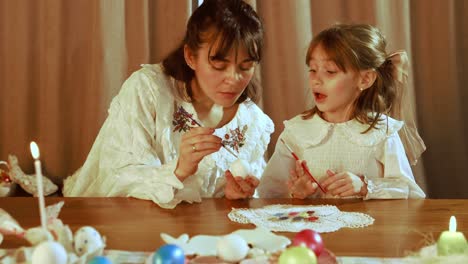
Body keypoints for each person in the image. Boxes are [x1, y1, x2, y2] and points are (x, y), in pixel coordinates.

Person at [63, 0, 274, 208]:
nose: (233, 78)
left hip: (204, 234)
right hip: (124, 224)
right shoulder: (149, 90)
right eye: (219, 65)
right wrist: (179, 169)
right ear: (190, 56)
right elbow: (118, 177)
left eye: (246, 67)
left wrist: (234, 194)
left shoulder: (253, 123)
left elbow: (253, 194)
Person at [258, 24, 426, 200]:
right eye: (313, 70)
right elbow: (267, 193)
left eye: (330, 72)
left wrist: (365, 186)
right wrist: (295, 193)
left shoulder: (382, 132)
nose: (316, 80)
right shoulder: (296, 132)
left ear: (365, 79)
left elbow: (411, 193)